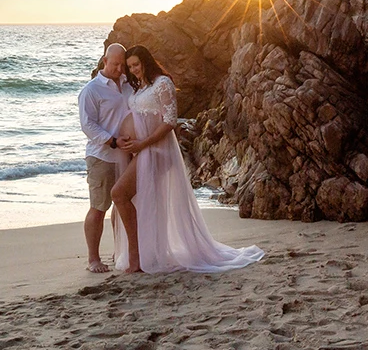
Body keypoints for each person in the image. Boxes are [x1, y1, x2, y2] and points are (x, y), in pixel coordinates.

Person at [111, 45, 264, 274]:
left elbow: (170, 121)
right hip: (141, 151)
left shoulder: (162, 83)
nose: (133, 70)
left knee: (119, 193)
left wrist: (143, 143)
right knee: (142, 202)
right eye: (130, 66)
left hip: (157, 151)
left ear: (146, 62)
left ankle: (137, 257)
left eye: (136, 65)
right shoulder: (140, 86)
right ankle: (143, 254)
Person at [77, 43, 135, 273]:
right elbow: (87, 125)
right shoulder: (92, 90)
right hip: (102, 156)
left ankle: (119, 251)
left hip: (127, 156)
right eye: (115, 64)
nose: (119, 69)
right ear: (104, 61)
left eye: (122, 65)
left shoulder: (128, 85)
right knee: (99, 207)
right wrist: (112, 141)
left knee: (122, 206)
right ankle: (93, 259)